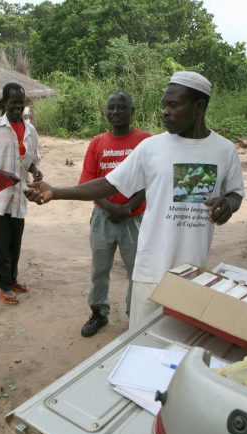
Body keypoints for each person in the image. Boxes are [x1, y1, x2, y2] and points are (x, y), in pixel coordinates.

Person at [26, 71, 245, 330]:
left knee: (180, 342)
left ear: (198, 107)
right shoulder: (152, 147)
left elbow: (235, 193)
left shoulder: (224, 150)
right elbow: (109, 183)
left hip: (192, 271)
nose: (165, 112)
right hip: (151, 268)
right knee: (143, 339)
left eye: (173, 105)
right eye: (164, 105)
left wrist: (228, 205)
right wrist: (56, 191)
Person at [78, 92, 151, 337]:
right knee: (100, 268)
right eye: (111, 108)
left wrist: (129, 207)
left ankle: (135, 316)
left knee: (137, 270)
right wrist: (110, 207)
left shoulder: (145, 141)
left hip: (136, 217)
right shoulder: (97, 142)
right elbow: (87, 182)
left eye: (122, 107)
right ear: (106, 111)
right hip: (103, 216)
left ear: (133, 110)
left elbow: (151, 181)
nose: (116, 112)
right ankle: (99, 312)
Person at [0, 83, 43, 305]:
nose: (17, 108)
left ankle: (12, 279)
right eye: (13, 103)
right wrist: (2, 174)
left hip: (20, 196)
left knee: (15, 243)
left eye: (20, 104)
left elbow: (31, 160)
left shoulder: (31, 131)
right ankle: (3, 286)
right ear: (4, 102)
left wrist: (35, 171)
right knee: (1, 244)